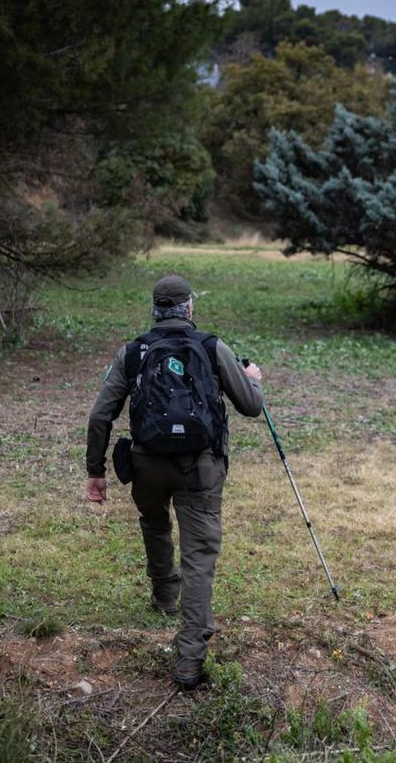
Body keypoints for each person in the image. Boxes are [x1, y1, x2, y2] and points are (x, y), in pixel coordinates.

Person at [85, 274, 263, 687]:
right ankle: (188, 664)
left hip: (146, 464)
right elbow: (251, 406)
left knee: (154, 522)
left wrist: (96, 471)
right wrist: (252, 378)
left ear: (153, 310)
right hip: (199, 466)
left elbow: (100, 415)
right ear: (189, 309)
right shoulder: (212, 347)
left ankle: (164, 596)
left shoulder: (132, 352)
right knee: (199, 556)